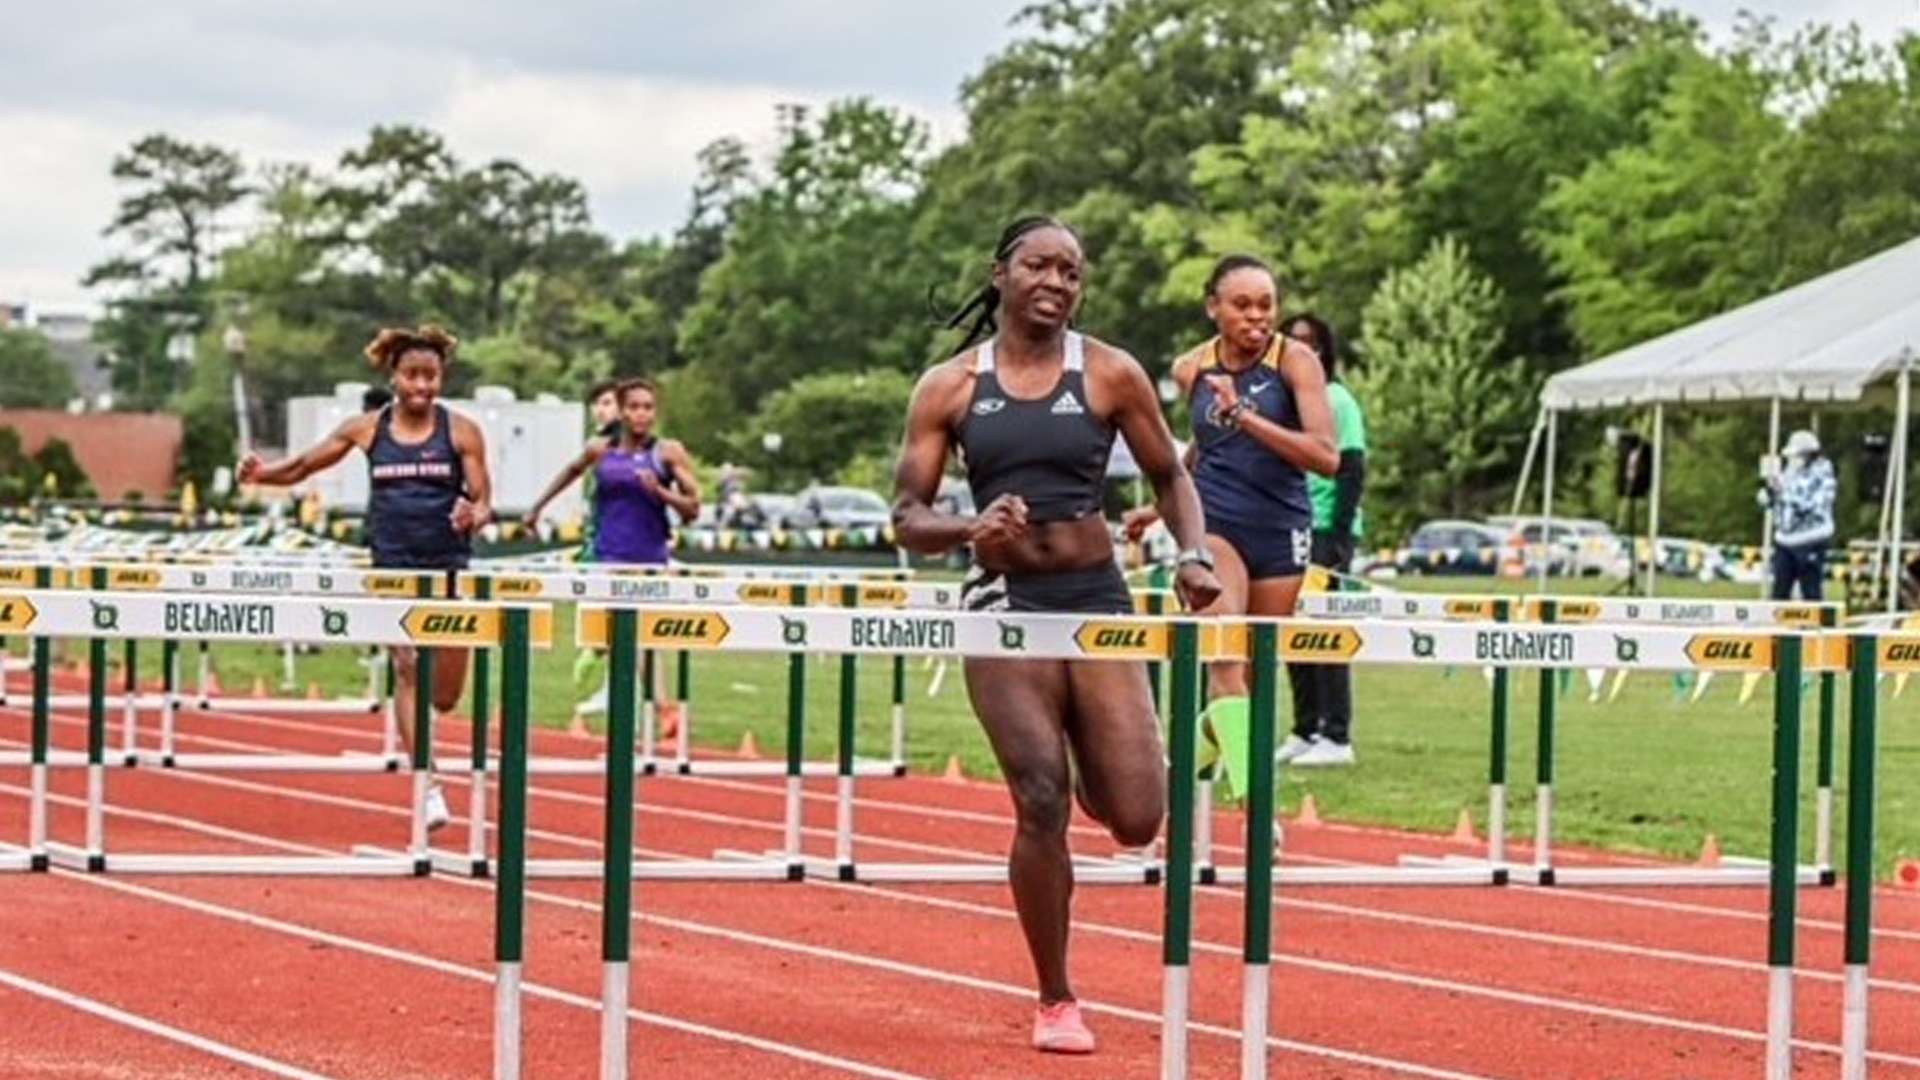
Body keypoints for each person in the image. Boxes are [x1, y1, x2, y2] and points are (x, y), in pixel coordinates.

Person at [891, 215, 1221, 1056]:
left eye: (1071, 272)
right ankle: (1056, 998)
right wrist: (971, 530)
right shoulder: (951, 386)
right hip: (1005, 604)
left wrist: (1192, 553)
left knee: (1139, 817)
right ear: (1000, 274)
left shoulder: (1110, 373)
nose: (1056, 283)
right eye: (1039, 266)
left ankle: (1098, 768)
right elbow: (907, 517)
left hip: (1095, 599)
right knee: (1038, 796)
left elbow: (1169, 475)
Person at [238, 325, 492, 831]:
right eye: (412, 375)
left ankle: (428, 754)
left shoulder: (461, 430)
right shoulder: (367, 429)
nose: (422, 386)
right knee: (406, 668)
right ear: (393, 376)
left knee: (445, 695)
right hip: (392, 569)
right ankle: (430, 784)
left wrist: (474, 513)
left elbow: (485, 501)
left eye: (431, 377)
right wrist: (264, 474)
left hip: (445, 567)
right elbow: (307, 464)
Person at [1124, 255, 1337, 793]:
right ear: (1212, 307)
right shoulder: (1189, 368)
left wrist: (1245, 415)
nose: (1257, 317)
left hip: (1281, 527)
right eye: (1242, 305)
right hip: (1214, 525)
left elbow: (1325, 456)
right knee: (1223, 662)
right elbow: (1202, 445)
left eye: (1266, 305)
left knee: (1248, 680)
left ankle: (1173, 781)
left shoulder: (1297, 362)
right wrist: (1159, 507)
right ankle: (1256, 805)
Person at [525, 378, 701, 732]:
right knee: (626, 635)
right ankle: (651, 706)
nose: (641, 415)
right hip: (608, 556)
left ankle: (656, 708)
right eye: (634, 407)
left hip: (649, 556)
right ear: (621, 410)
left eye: (648, 407)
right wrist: (537, 508)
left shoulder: (667, 452)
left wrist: (661, 493)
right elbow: (571, 472)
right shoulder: (600, 449)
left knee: (639, 637)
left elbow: (693, 508)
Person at [1281, 312, 1366, 767]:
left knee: (1325, 631)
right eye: (1294, 343)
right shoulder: (1285, 403)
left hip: (1326, 531)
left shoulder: (1337, 401)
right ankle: (1305, 726)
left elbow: (1352, 470)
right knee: (1294, 634)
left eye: (1311, 343)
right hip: (1290, 528)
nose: (1303, 351)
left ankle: (1337, 733)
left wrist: (1335, 536)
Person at [1758, 428, 1836, 600]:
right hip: (1784, 541)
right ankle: (1777, 627)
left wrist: (1784, 494)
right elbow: (1768, 502)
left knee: (1811, 592)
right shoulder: (1789, 472)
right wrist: (1769, 493)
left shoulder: (1824, 474)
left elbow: (1814, 506)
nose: (1793, 460)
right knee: (1779, 592)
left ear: (1808, 455)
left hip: (1812, 539)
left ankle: (1814, 627)